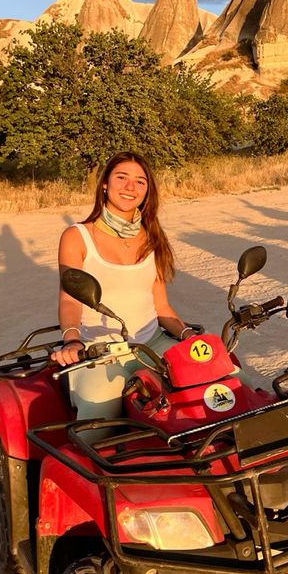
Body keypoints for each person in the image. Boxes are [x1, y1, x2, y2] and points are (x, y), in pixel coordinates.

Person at [50, 152, 192, 419]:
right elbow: (70, 299)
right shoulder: (77, 236)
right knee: (99, 414)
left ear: (147, 191)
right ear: (105, 183)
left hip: (152, 343)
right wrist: (72, 341)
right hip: (99, 350)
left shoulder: (153, 236)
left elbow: (161, 306)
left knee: (218, 380)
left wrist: (188, 335)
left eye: (140, 181)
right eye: (122, 177)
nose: (130, 187)